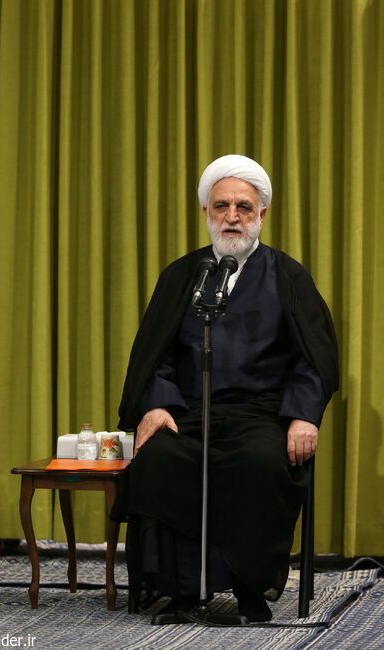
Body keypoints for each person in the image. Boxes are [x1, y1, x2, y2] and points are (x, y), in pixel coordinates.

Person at [110, 154, 339, 622]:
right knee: (161, 457)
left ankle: (249, 591)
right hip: (189, 412)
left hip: (261, 415)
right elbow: (155, 354)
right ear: (206, 212)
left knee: (258, 462)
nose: (232, 216)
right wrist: (156, 406)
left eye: (242, 207)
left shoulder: (288, 277)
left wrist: (303, 414)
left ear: (261, 214)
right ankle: (178, 591)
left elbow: (313, 358)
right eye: (221, 206)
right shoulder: (182, 276)